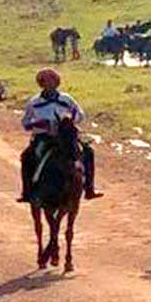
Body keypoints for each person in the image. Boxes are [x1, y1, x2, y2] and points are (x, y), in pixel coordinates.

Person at [17, 68, 101, 202]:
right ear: (41, 83)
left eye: (52, 80)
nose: (49, 84)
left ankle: (89, 188)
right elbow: (25, 123)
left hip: (66, 136)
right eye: (46, 81)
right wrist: (40, 124)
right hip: (44, 137)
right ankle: (27, 192)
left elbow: (80, 115)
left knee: (88, 152)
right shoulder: (34, 102)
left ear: (57, 82)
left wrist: (69, 120)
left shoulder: (66, 99)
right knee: (27, 157)